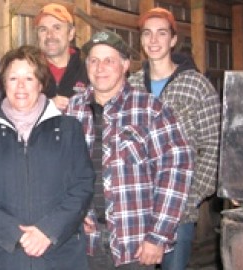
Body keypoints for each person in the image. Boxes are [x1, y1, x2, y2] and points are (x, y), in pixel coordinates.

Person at [66, 30, 194, 269]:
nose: (100, 67)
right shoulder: (73, 109)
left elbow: (176, 172)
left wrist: (158, 236)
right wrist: (72, 212)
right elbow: (61, 168)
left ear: (125, 65)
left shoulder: (151, 110)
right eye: (94, 60)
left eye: (109, 60)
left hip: (134, 244)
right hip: (84, 242)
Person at [0, 45, 94, 270]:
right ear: (4, 84)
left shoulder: (68, 129)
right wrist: (15, 234)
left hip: (59, 254)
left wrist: (49, 230)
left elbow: (82, 185)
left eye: (29, 78)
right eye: (13, 78)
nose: (21, 86)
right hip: (5, 255)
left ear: (41, 83)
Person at [128, 8, 221, 270]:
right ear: (142, 41)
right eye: (147, 34)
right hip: (139, 210)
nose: (154, 40)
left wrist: (189, 198)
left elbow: (212, 148)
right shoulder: (132, 87)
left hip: (179, 212)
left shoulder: (196, 86)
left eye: (161, 33)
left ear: (172, 40)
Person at [34, 3, 88, 111]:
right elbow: (12, 107)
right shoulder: (28, 68)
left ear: (71, 33)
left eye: (57, 28)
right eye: (43, 29)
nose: (49, 35)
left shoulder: (88, 67)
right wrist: (45, 106)